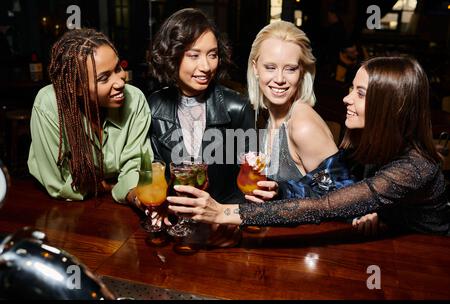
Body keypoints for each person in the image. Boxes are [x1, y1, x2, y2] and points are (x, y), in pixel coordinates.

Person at [167, 56, 450, 236]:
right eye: (351, 89)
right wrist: (280, 190)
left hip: (428, 259)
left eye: (360, 94)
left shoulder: (415, 167)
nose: (346, 100)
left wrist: (223, 213)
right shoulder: (367, 143)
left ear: (390, 107)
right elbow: (323, 185)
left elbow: (322, 206)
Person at [147, 8, 254, 247]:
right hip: (174, 233)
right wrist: (157, 209)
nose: (206, 66)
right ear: (172, 55)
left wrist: (231, 219)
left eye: (212, 54)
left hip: (222, 233)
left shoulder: (237, 108)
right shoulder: (153, 106)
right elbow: (154, 171)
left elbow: (249, 181)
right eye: (194, 55)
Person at [28, 28, 152, 207]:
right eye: (104, 78)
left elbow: (137, 164)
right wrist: (108, 186)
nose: (121, 80)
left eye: (118, 68)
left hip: (118, 206)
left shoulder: (135, 98)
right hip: (65, 208)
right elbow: (56, 181)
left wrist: (135, 195)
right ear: (76, 87)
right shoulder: (49, 103)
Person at [245, 21, 353, 203]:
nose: (279, 79)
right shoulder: (266, 116)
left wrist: (282, 193)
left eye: (290, 69)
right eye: (270, 67)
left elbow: (342, 197)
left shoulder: (302, 124)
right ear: (255, 68)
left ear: (302, 71)